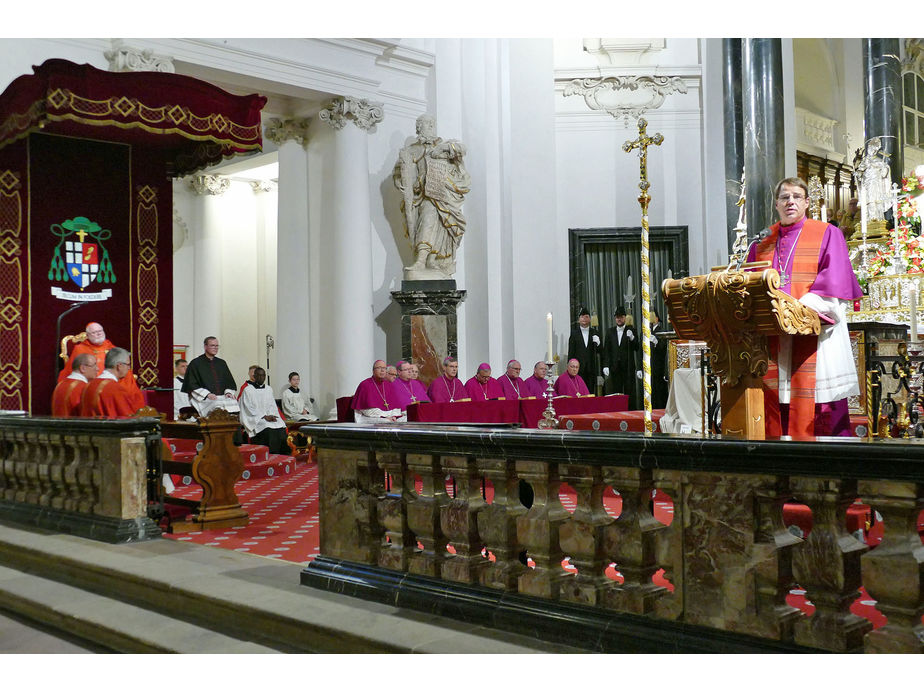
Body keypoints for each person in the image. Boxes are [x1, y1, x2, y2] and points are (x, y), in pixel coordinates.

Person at [747, 176, 863, 438]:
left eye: (797, 197)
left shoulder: (826, 233)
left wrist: (796, 309)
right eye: (785, 197)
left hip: (815, 330)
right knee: (778, 395)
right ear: (776, 204)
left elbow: (833, 279)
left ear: (807, 202)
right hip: (774, 335)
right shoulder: (763, 241)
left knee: (817, 400)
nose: (790, 202)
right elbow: (751, 282)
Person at [393, 114, 471, 278]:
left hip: (444, 195)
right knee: (428, 218)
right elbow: (402, 175)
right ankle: (422, 259)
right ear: (418, 128)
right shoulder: (411, 150)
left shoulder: (444, 146)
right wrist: (401, 179)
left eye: (430, 125)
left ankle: (431, 260)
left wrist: (443, 149)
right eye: (423, 125)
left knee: (442, 227)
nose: (428, 128)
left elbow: (461, 148)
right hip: (425, 195)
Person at [58, 321, 145, 410]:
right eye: (94, 332)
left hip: (112, 384)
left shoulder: (111, 347)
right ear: (87, 335)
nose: (98, 334)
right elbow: (73, 371)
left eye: (100, 331)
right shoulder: (80, 349)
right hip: (90, 387)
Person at [181, 336, 239, 416]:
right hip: (204, 398)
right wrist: (207, 394)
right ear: (205, 346)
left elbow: (229, 381)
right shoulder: (196, 363)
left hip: (221, 396)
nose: (215, 348)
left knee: (233, 402)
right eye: (212, 345)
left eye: (217, 346)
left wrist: (228, 392)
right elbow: (191, 384)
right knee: (216, 405)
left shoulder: (221, 363)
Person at [239, 367, 289, 454]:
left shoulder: (269, 389)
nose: (261, 377)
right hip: (256, 419)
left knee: (280, 424)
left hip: (269, 416)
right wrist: (264, 416)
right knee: (266, 426)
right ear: (254, 376)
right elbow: (248, 408)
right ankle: (269, 454)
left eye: (263, 375)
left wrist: (273, 415)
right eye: (259, 375)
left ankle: (282, 454)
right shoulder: (248, 390)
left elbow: (272, 405)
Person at [79, 347, 138, 418]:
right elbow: (127, 418)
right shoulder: (116, 389)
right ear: (119, 366)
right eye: (128, 364)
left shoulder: (88, 385)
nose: (129, 368)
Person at [602, 306, 640, 408]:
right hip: (614, 367)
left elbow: (637, 348)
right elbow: (607, 350)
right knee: (616, 391)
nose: (619, 319)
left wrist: (632, 338)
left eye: (621, 317)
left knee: (629, 392)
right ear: (615, 318)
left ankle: (631, 412)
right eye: (617, 317)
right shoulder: (610, 332)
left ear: (625, 318)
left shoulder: (631, 330)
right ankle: (618, 411)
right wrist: (605, 365)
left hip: (628, 367)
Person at [567, 307, 601, 394]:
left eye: (586, 317)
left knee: (590, 390)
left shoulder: (595, 333)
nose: (584, 319)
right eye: (582, 317)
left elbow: (600, 351)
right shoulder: (574, 334)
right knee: (578, 390)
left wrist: (598, 343)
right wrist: (570, 367)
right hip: (578, 368)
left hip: (591, 368)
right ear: (579, 319)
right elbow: (571, 352)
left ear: (589, 319)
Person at [649, 309, 670, 409]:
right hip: (648, 366)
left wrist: (656, 342)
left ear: (657, 318)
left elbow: (664, 348)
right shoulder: (646, 331)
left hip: (659, 365)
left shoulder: (662, 331)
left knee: (659, 389)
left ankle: (660, 408)